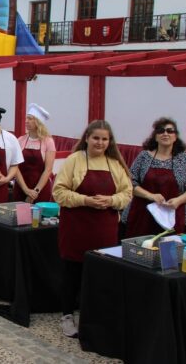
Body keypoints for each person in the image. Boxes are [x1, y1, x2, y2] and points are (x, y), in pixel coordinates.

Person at [53, 120, 132, 338]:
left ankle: (96, 315)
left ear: (110, 141)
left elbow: (127, 194)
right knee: (72, 273)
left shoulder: (115, 164)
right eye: (96, 138)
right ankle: (67, 316)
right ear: (87, 138)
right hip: (76, 227)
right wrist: (86, 200)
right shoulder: (74, 161)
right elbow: (58, 192)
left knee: (100, 273)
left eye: (104, 139)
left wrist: (111, 200)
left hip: (104, 229)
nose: (100, 142)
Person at [122, 117, 186, 237]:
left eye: (170, 131)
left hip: (175, 216)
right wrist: (151, 196)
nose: (165, 134)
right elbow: (130, 183)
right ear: (155, 136)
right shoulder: (144, 157)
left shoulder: (185, 159)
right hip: (142, 216)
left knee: (171, 253)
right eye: (161, 131)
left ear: (175, 136)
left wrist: (178, 201)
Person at [14, 103, 56, 204]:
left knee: (39, 219)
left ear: (38, 122)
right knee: (20, 219)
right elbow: (15, 167)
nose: (26, 121)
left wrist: (35, 192)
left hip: (41, 189)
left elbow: (48, 169)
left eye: (30, 118)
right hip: (21, 188)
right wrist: (26, 190)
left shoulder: (48, 142)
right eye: (26, 118)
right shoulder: (20, 140)